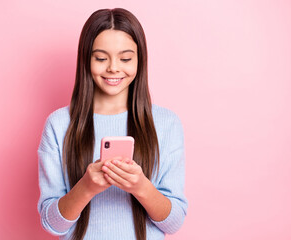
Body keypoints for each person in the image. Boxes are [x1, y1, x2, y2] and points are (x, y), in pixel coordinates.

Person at [37, 8, 188, 240]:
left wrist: (140, 186)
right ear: (86, 59)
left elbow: (174, 221)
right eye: (101, 58)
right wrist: (86, 187)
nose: (113, 68)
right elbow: (52, 223)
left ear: (140, 60)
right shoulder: (59, 125)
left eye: (125, 58)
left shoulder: (166, 124)